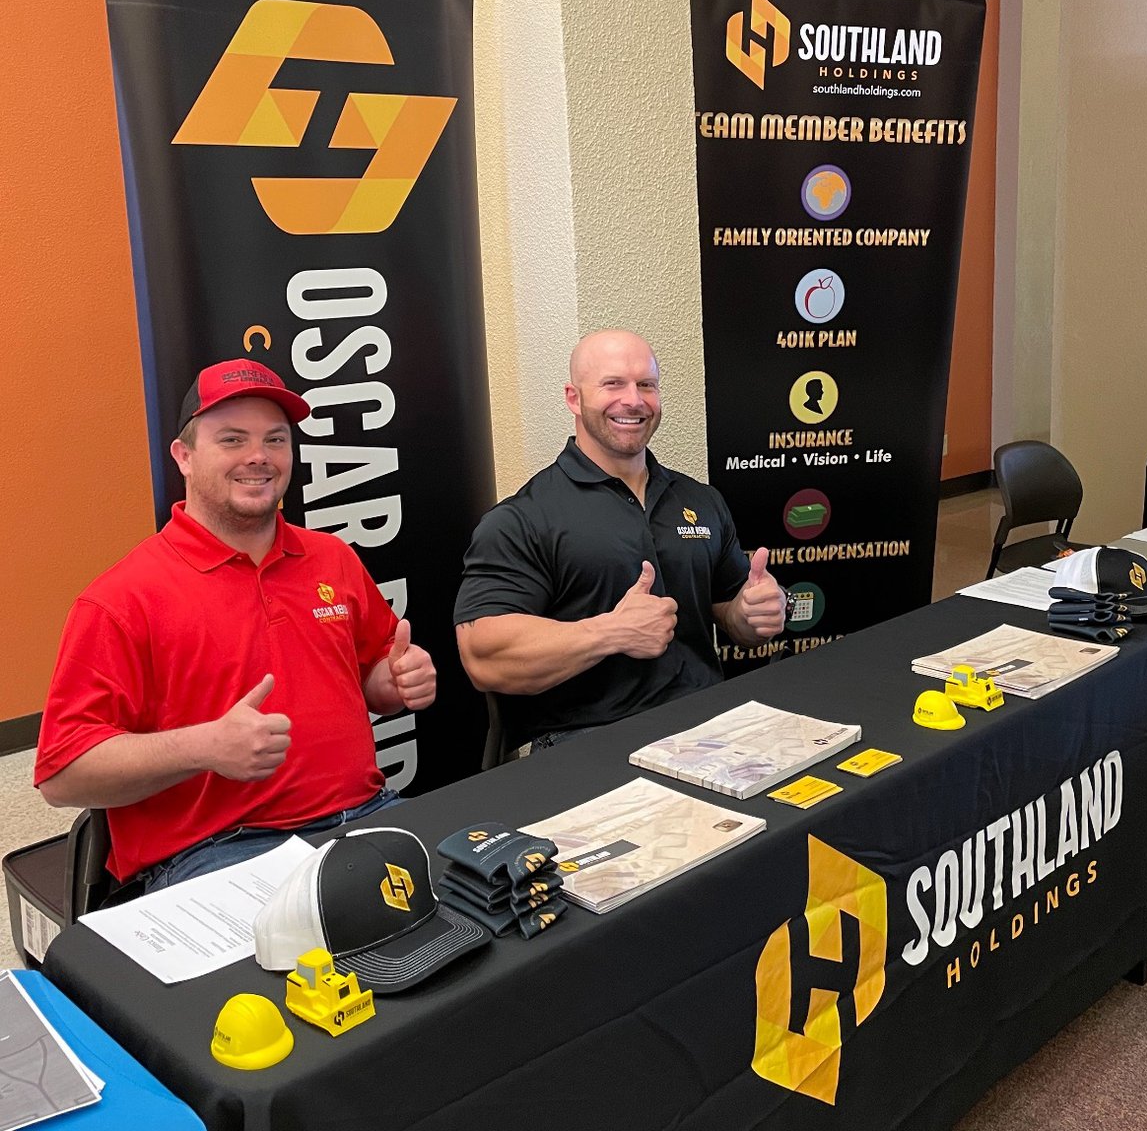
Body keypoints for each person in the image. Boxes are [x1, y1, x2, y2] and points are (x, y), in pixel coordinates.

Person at [35, 360, 436, 890]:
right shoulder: (120, 599)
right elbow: (62, 775)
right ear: (184, 456)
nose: (258, 457)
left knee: (488, 911)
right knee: (308, 966)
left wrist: (391, 683)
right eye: (231, 439)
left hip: (364, 816)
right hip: (216, 850)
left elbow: (372, 680)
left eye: (275, 439)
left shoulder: (332, 558)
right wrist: (205, 747)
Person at [454, 329, 784, 749]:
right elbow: (484, 656)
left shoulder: (700, 500)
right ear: (573, 398)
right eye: (613, 384)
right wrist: (611, 632)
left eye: (646, 385)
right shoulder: (524, 518)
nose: (633, 400)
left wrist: (752, 613)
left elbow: (733, 616)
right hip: (590, 744)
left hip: (709, 726)